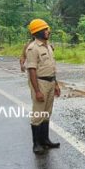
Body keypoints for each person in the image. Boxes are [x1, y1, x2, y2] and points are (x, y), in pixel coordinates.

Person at [25, 19, 60, 155]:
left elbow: (52, 67)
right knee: (38, 113)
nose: (48, 31)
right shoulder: (33, 48)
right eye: (45, 29)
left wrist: (56, 84)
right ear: (38, 32)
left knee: (47, 112)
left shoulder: (48, 46)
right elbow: (32, 70)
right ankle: (36, 144)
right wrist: (37, 91)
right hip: (40, 83)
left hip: (50, 82)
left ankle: (45, 140)